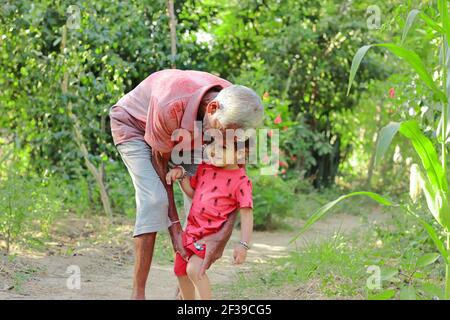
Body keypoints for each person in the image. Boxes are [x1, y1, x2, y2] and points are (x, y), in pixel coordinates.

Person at [109, 69, 264, 299]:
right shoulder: (170, 104)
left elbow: (234, 180)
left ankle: (184, 291)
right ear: (212, 109)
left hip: (189, 133)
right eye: (222, 134)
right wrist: (176, 233)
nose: (224, 142)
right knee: (155, 200)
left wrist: (222, 237)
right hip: (136, 128)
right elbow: (160, 163)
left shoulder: (233, 105)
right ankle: (138, 292)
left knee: (205, 201)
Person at [166, 140, 253, 299]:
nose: (214, 150)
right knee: (180, 270)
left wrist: (243, 245)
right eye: (213, 145)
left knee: (194, 270)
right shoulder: (204, 168)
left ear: (240, 153)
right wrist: (181, 176)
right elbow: (194, 193)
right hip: (191, 231)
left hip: (208, 236)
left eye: (223, 147)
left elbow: (246, 214)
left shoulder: (241, 181)